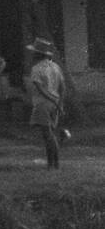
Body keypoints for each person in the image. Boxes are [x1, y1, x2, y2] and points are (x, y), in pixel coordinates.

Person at [26, 37, 65, 170]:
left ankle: (55, 164)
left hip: (43, 104)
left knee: (48, 135)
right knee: (50, 134)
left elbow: (40, 88)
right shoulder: (55, 67)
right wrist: (60, 102)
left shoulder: (36, 69)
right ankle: (51, 164)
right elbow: (63, 87)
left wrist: (52, 99)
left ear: (37, 54)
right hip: (55, 103)